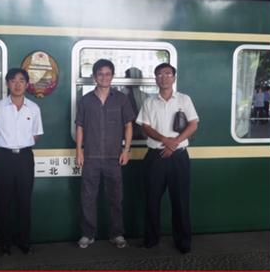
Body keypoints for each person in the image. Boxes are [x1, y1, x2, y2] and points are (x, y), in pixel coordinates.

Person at [136, 63, 198, 254]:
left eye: (168, 74)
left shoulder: (184, 100)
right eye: (160, 74)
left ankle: (183, 242)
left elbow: (193, 124)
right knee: (151, 200)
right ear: (156, 78)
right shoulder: (149, 102)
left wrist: (175, 142)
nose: (164, 77)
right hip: (155, 157)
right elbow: (145, 127)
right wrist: (164, 140)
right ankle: (151, 239)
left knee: (180, 201)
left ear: (174, 77)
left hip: (179, 157)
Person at [75, 59, 135, 249]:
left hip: (113, 157)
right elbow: (80, 127)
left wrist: (126, 150)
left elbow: (128, 126)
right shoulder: (85, 100)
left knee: (116, 198)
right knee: (88, 198)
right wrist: (79, 151)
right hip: (90, 157)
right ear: (94, 77)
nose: (104, 77)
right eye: (100, 73)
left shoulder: (121, 99)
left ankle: (117, 234)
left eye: (108, 73)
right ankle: (87, 234)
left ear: (112, 76)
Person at [0, 68, 43, 256]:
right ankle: (5, 242)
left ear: (27, 84)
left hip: (25, 158)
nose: (17, 84)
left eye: (21, 80)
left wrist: (21, 144)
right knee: (3, 201)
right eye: (13, 80)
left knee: (24, 201)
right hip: (4, 157)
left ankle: (24, 241)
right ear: (7, 84)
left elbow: (36, 135)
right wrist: (9, 144)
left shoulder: (34, 108)